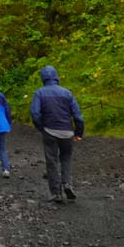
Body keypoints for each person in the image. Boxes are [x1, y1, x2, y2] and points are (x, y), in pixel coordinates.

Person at [30, 65, 84, 203]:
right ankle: (67, 184)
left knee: (52, 161)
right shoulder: (67, 93)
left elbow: (35, 113)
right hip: (67, 132)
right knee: (66, 158)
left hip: (49, 131)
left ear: (43, 78)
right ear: (56, 76)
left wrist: (41, 127)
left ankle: (56, 193)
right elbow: (78, 115)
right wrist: (79, 132)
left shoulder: (39, 93)